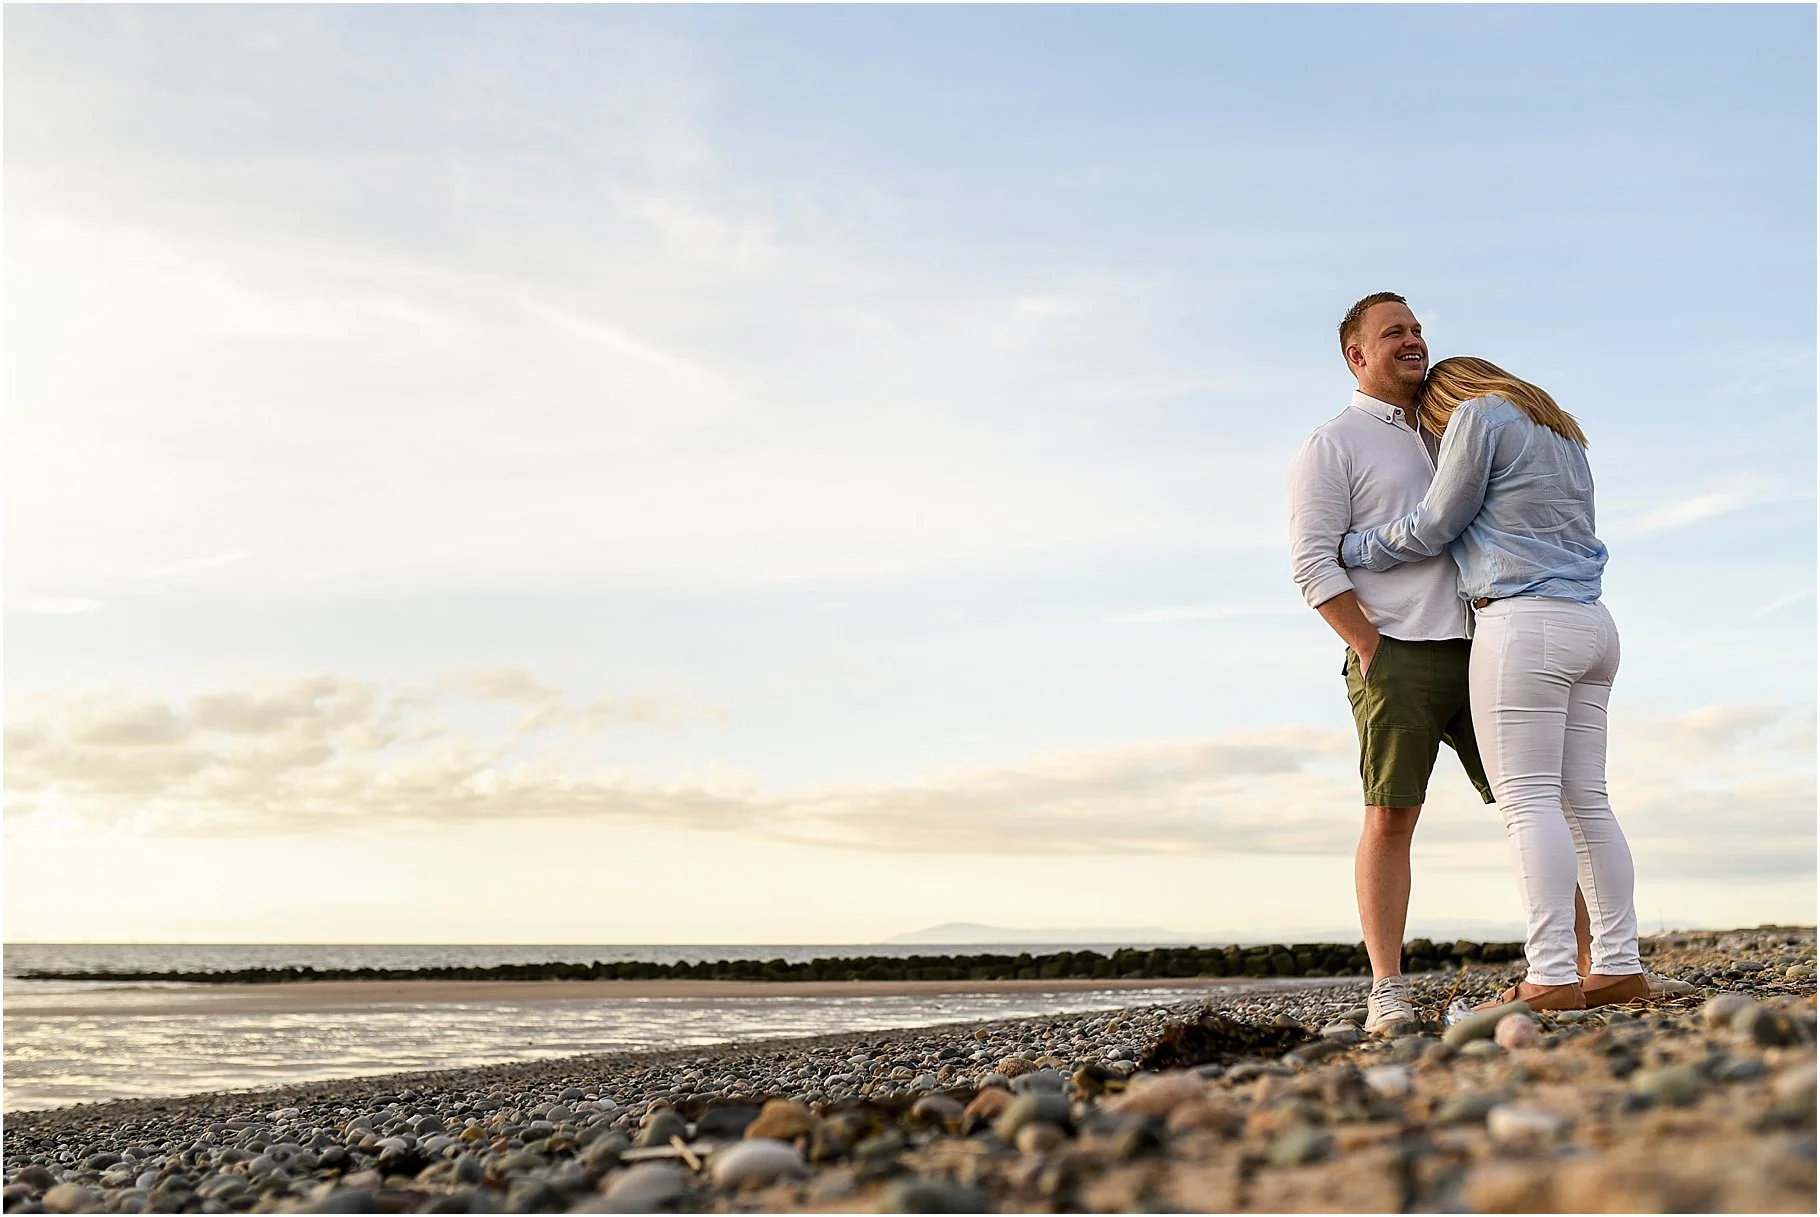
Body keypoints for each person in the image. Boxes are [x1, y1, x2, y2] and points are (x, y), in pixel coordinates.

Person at [1339, 356, 1648, 1010]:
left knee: (1529, 802)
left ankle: (1552, 974)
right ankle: (1618, 964)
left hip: (1524, 622)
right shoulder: (1560, 429)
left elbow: (1435, 523)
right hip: (1593, 623)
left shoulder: (1479, 414)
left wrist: (1356, 548)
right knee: (1588, 800)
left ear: (1446, 398)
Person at [1288, 292, 1498, 1033]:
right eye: (1393, 332)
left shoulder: (1453, 428)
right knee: (1390, 817)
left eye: (1415, 328)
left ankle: (1585, 963)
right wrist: (1372, 647)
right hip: (1395, 657)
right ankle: (1388, 988)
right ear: (1357, 354)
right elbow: (1312, 563)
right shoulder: (1334, 443)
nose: (1413, 340)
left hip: (1485, 650)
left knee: (1541, 802)